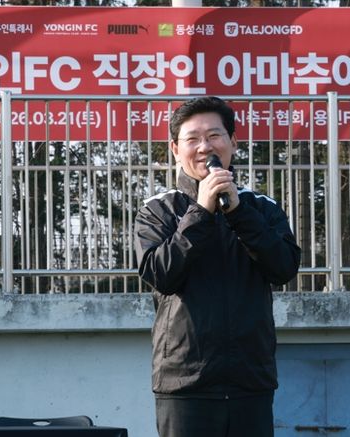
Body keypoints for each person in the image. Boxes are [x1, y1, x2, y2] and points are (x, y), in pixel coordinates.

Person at [134, 96, 302, 437]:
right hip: (185, 382)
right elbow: (162, 275)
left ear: (233, 142)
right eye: (192, 139)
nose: (204, 147)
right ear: (175, 149)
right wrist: (200, 211)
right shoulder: (157, 210)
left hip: (250, 381)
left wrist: (238, 212)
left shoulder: (261, 207)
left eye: (214, 136)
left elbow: (284, 268)